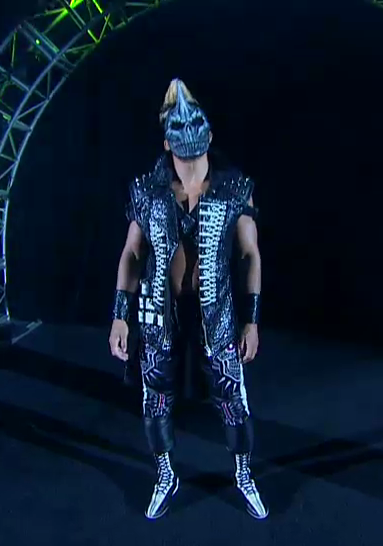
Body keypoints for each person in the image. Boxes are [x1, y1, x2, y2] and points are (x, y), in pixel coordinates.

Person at [107, 78, 268, 520]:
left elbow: (250, 254)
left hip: (217, 311)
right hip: (160, 311)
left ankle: (243, 474)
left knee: (232, 398)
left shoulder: (234, 187)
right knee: (155, 396)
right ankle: (165, 474)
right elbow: (132, 252)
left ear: (210, 135)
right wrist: (120, 316)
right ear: (166, 142)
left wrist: (251, 320)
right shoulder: (148, 189)